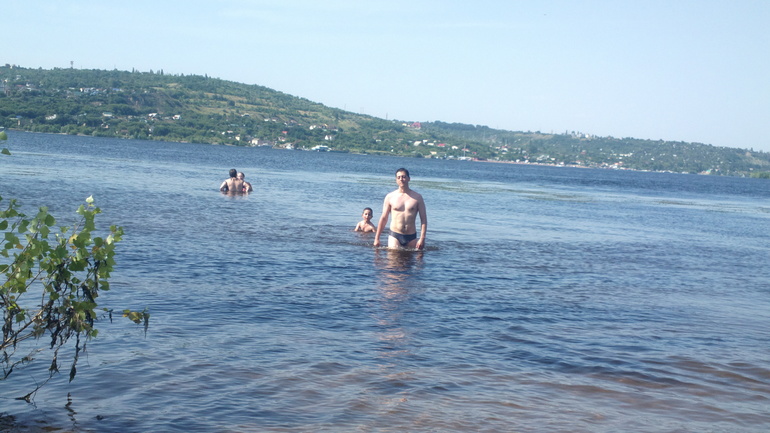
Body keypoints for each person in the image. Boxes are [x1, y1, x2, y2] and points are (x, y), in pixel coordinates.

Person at [373, 168, 427, 250]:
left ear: (409, 178)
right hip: (395, 235)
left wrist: (422, 239)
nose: (401, 179)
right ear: (396, 180)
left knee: (411, 258)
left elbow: (423, 219)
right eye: (398, 177)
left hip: (411, 236)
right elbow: (384, 218)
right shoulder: (390, 197)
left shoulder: (417, 197)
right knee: (393, 257)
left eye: (403, 177)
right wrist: (377, 238)